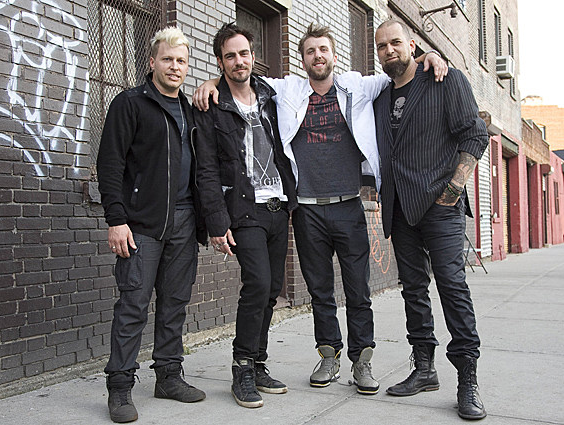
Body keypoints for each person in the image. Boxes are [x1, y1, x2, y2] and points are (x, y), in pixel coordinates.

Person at [193, 23, 447, 395]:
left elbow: (400, 68)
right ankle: (329, 356)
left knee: (358, 292)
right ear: (303, 59)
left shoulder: (357, 86)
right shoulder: (287, 89)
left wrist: (430, 56)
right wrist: (210, 83)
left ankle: (361, 362)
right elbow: (241, 80)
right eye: (310, 51)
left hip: (349, 206)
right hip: (307, 212)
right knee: (320, 292)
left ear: (334, 55)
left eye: (323, 49)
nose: (318, 56)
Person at [373, 20, 488, 420]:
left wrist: (452, 191)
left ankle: (467, 380)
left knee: (453, 287)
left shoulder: (445, 79)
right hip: (400, 209)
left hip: (441, 206)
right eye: (382, 45)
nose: (389, 50)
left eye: (396, 43)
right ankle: (424, 368)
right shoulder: (380, 95)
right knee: (413, 291)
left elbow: (475, 135)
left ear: (412, 45)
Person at [97, 27, 207, 423]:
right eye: (167, 59)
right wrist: (116, 219)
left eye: (181, 61)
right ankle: (120, 387)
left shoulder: (191, 110)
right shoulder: (130, 103)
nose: (174, 67)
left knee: (175, 303)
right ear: (152, 62)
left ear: (187, 66)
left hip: (185, 221)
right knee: (133, 305)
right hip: (141, 224)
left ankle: (169, 377)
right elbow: (110, 164)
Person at [193, 23, 298, 409]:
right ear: (220, 62)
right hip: (244, 208)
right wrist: (217, 221)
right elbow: (205, 168)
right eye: (230, 56)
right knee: (258, 284)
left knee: (271, 289)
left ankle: (258, 362)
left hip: (278, 206)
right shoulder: (211, 105)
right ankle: (241, 368)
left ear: (253, 56)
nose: (239, 61)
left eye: (244, 54)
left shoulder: (271, 96)